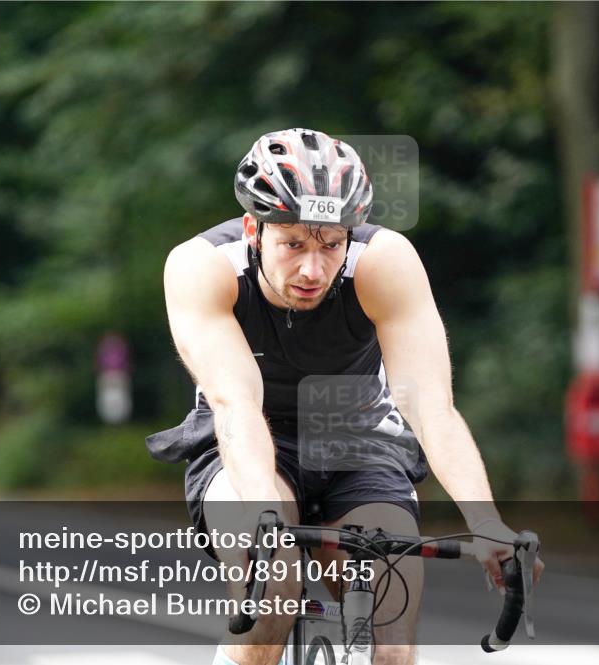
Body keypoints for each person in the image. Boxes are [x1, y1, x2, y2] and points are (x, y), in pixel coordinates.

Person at [156, 128, 544, 665]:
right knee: (275, 590)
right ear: (254, 229)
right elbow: (234, 403)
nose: (313, 269)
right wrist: (265, 513)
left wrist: (486, 522)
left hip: (357, 441)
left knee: (393, 639)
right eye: (292, 243)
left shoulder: (383, 263)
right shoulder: (204, 268)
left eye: (331, 243)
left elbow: (431, 407)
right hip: (244, 443)